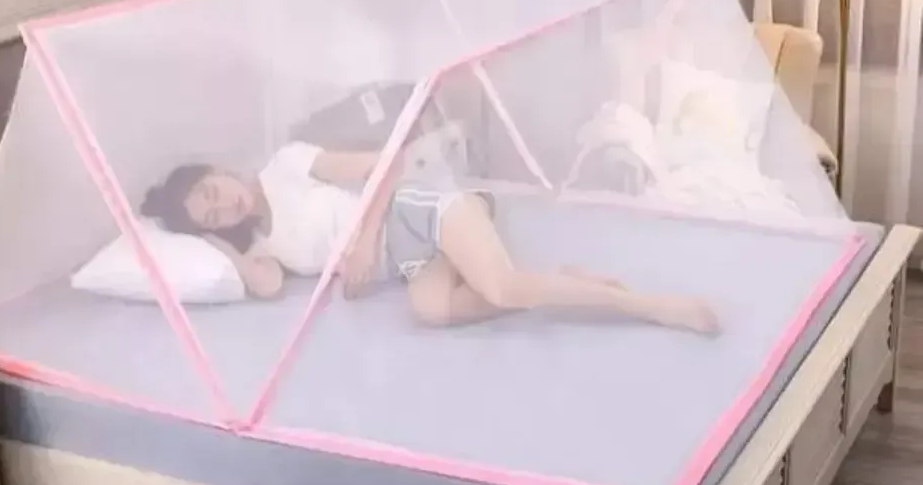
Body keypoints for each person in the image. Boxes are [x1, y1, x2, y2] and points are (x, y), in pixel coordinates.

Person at [140, 142, 720, 335]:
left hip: (413, 207)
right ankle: (565, 282)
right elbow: (265, 287)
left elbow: (389, 162)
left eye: (212, 192)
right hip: (412, 260)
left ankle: (649, 306)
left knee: (501, 289)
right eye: (211, 217)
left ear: (218, 170)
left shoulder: (286, 166)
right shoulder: (261, 248)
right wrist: (219, 246)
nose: (224, 206)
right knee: (431, 310)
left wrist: (365, 238)